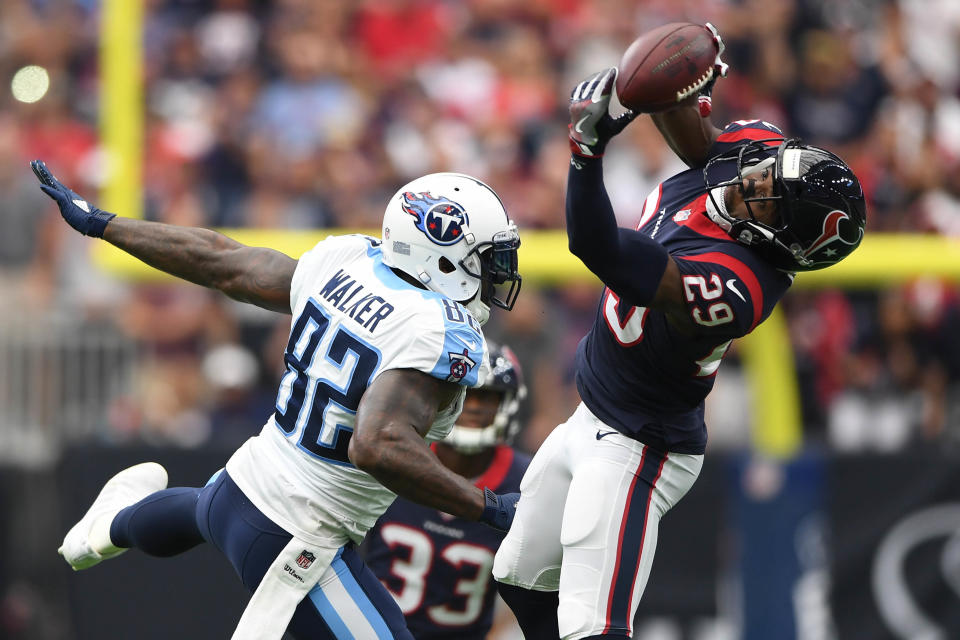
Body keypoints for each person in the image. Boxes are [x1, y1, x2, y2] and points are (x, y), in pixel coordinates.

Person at [31, 161, 524, 640]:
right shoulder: (438, 330)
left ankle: (109, 528)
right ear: (442, 253)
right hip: (300, 534)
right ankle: (110, 527)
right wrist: (491, 509)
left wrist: (104, 224)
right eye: (487, 258)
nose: (497, 273)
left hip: (241, 483)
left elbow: (221, 261)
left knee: (196, 513)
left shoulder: (350, 259)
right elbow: (379, 445)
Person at [491, 24, 866, 640]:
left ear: (778, 242)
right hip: (592, 412)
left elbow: (597, 247)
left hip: (638, 447)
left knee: (593, 626)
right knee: (519, 575)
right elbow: (702, 139)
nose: (758, 182)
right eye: (776, 173)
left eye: (772, 201)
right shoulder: (755, 149)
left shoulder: (737, 285)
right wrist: (674, 89)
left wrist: (587, 150)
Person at [363, 340, 531, 640]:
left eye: (488, 398)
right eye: (468, 394)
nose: (476, 407)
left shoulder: (527, 481)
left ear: (507, 405)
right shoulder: (396, 452)